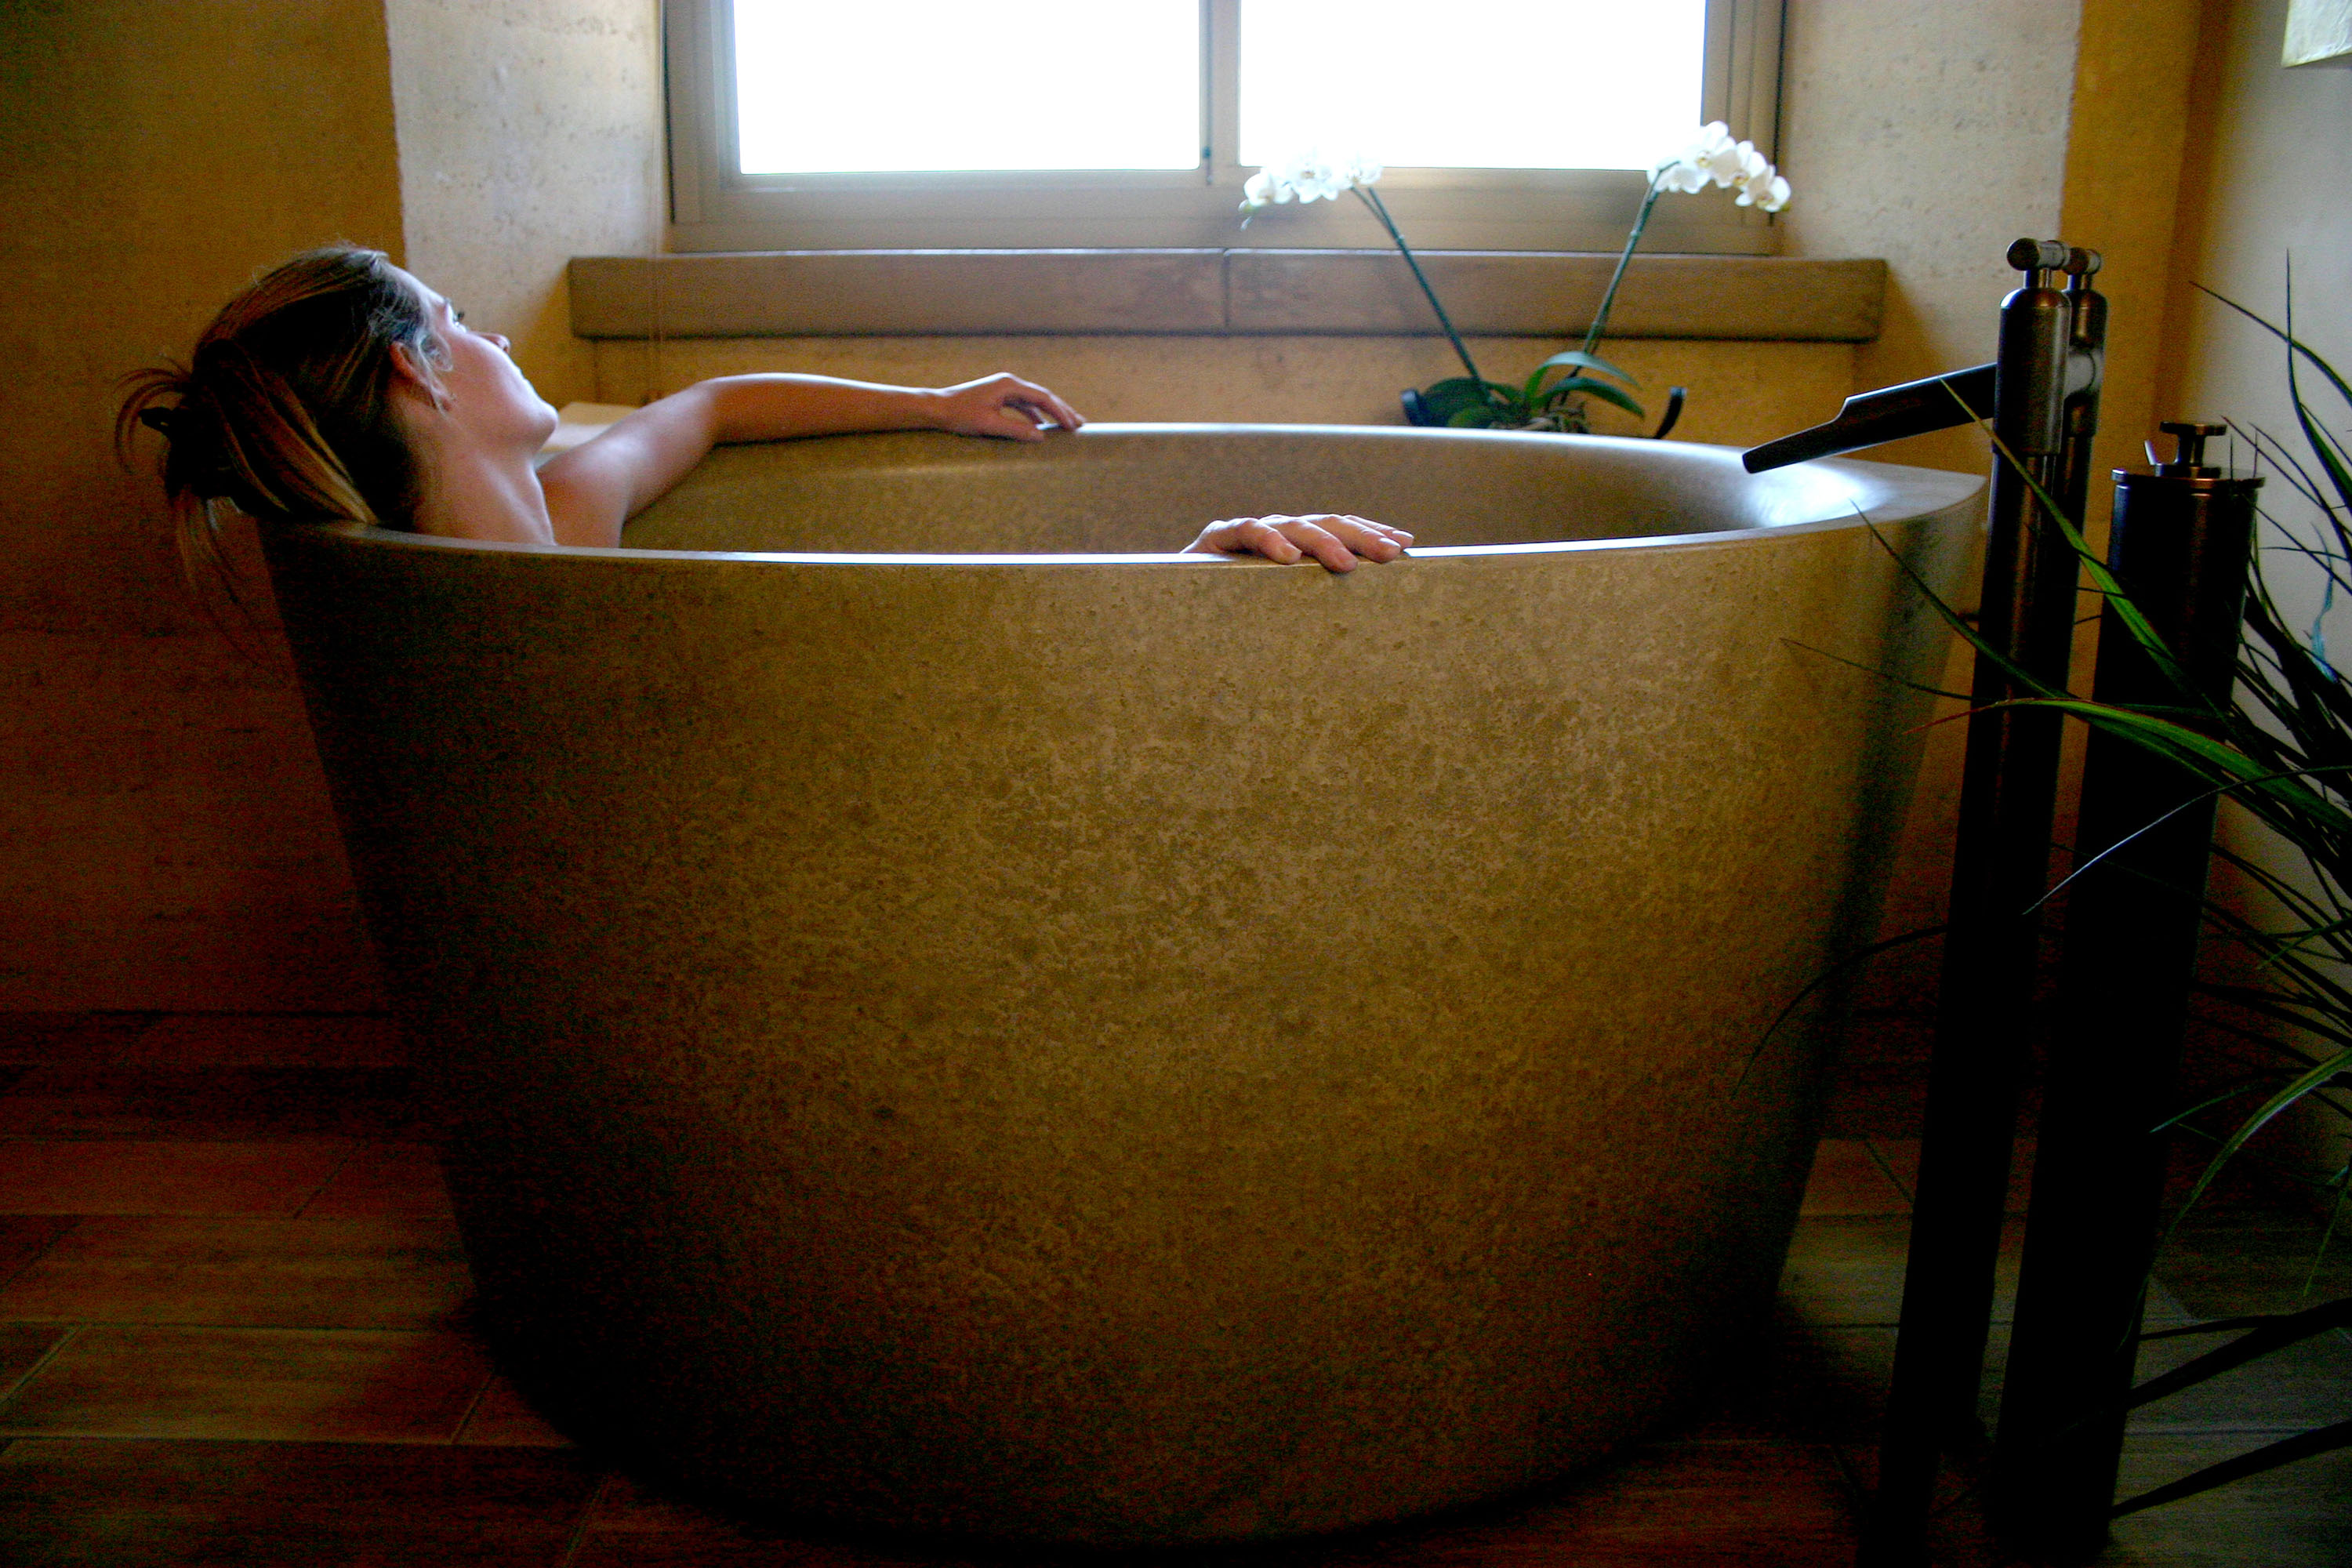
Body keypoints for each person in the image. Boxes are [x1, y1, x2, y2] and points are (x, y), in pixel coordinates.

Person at [120, 246, 1409, 582]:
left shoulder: (569, 519)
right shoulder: (468, 597)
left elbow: (713, 403)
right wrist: (1185, 573)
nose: (495, 333)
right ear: (418, 370)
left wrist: (932, 405)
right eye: (459, 316)